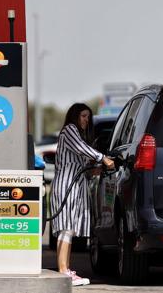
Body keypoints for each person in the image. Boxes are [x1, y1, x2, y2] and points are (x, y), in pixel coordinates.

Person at [50, 103, 114, 286]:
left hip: (74, 187)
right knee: (65, 229)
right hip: (66, 187)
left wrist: (95, 170)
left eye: (88, 117)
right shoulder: (69, 130)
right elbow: (82, 149)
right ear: (74, 116)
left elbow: (81, 165)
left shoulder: (76, 134)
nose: (86, 120)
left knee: (68, 229)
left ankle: (66, 270)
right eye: (83, 116)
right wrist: (103, 158)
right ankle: (63, 271)